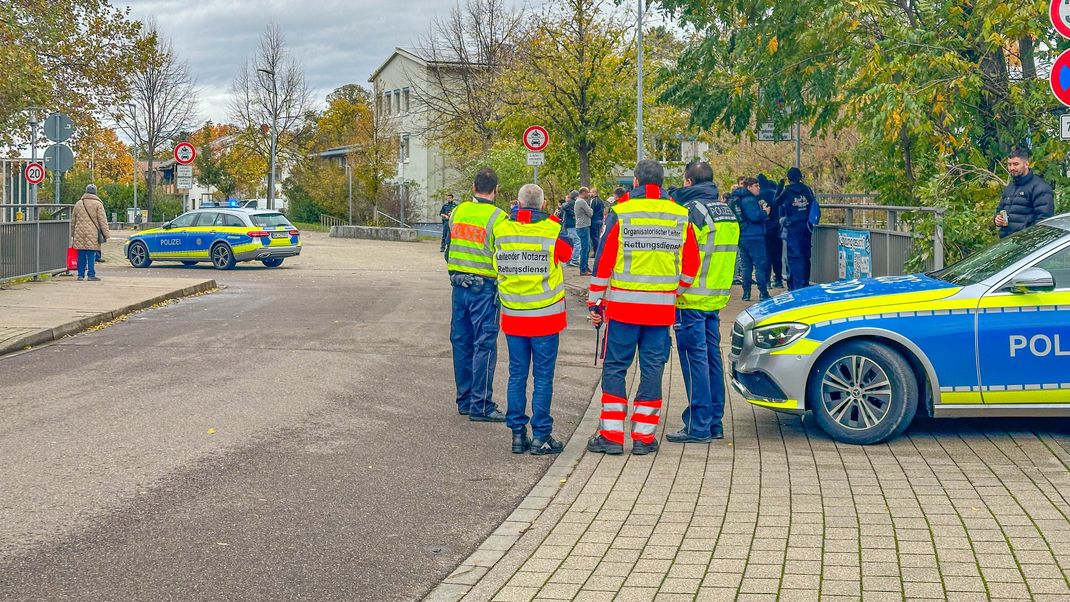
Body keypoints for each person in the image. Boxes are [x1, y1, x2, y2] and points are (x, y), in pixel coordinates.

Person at [587, 160, 700, 456]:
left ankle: (611, 435)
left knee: (615, 368)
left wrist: (596, 300)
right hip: (661, 311)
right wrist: (676, 291)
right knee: (652, 370)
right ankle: (644, 437)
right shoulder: (680, 215)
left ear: (635, 182)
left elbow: (603, 260)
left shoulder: (621, 213)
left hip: (624, 309)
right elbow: (691, 265)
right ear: (662, 183)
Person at [493, 183, 573, 455]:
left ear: (517, 202)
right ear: (543, 204)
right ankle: (541, 435)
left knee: (517, 374)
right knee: (542, 377)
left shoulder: (502, 229)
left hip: (514, 315)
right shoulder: (552, 230)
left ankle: (517, 434)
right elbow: (568, 254)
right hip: (545, 317)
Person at [668, 161, 739, 443]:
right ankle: (714, 422)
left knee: (693, 360)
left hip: (691, 297)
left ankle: (698, 425)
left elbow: (683, 254)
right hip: (716, 296)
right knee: (712, 358)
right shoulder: (726, 210)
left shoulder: (692, 212)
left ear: (687, 182)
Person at [445, 168, 507, 422]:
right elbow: (502, 256)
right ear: (496, 189)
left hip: (459, 286)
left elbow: (449, 248)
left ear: (473, 187)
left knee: (461, 343)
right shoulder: (499, 218)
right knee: (484, 345)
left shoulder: (457, 212)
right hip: (485, 290)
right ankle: (481, 405)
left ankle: (465, 399)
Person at [994, 148, 1054, 238]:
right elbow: (1000, 209)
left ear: (1026, 164)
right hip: (1007, 243)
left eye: (1016, 164)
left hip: (1027, 244)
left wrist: (1028, 238)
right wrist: (997, 218)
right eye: (1009, 164)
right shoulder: (1010, 187)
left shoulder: (1040, 187)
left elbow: (1044, 221)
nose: (1012, 168)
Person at [776, 167, 817, 290]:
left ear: (789, 179)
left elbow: (776, 202)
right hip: (807, 226)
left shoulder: (787, 191)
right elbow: (813, 204)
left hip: (793, 227)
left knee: (794, 256)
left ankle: (796, 285)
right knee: (805, 255)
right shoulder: (807, 190)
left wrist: (779, 188)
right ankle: (805, 282)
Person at [734, 177, 771, 301]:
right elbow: (754, 216)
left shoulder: (739, 199)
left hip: (743, 236)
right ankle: (763, 292)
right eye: (756, 186)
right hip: (754, 236)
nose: (758, 188)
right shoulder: (749, 200)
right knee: (760, 265)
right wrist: (765, 212)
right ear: (749, 187)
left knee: (746, 266)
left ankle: (746, 293)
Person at [71, 184, 109, 281]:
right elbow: (102, 220)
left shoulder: (78, 203)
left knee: (81, 254)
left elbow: (73, 221)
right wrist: (106, 234)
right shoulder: (98, 204)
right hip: (92, 232)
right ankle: (91, 275)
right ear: (95, 192)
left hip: (79, 232)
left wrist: (72, 233)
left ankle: (80, 275)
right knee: (91, 254)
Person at [758, 174, 783, 288]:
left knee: (766, 256)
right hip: (777, 228)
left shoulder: (758, 196)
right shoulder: (774, 193)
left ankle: (767, 281)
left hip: (764, 229)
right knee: (777, 255)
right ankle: (778, 279)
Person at [573, 187, 594, 275]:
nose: (589, 194)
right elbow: (590, 213)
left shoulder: (578, 201)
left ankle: (585, 266)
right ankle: (583, 269)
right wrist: (590, 209)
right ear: (584, 192)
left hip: (581, 226)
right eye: (587, 192)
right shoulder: (581, 201)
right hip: (583, 226)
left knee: (587, 247)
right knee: (585, 248)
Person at [589, 187, 605, 254]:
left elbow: (591, 211)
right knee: (598, 236)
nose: (590, 194)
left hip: (594, 220)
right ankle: (599, 251)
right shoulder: (601, 201)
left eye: (591, 192)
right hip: (600, 220)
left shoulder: (593, 201)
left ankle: (597, 252)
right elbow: (603, 211)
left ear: (594, 192)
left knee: (594, 238)